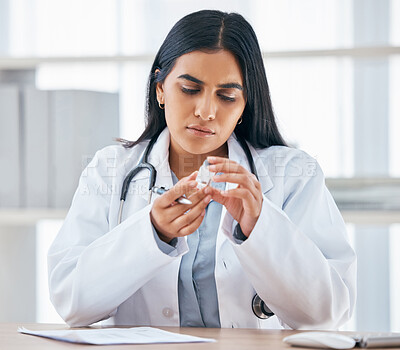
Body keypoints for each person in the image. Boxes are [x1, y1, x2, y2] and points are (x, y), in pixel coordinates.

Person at [48, 9, 356, 330]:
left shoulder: (294, 175)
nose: (206, 111)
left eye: (226, 96)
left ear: (243, 107)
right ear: (161, 89)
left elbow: (327, 315)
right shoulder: (110, 170)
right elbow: (71, 302)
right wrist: (152, 232)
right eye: (190, 89)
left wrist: (261, 227)